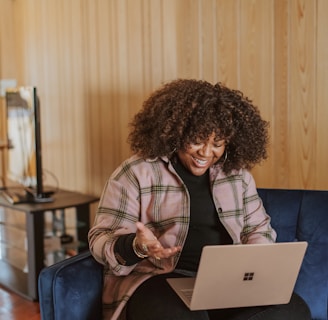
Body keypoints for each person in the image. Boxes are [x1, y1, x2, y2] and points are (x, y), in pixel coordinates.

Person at [88, 79, 311, 320]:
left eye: (217, 144)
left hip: (227, 282)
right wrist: (137, 246)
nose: (206, 153)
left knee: (294, 310)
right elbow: (100, 240)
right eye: (197, 140)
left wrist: (255, 263)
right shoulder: (136, 173)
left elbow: (257, 229)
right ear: (176, 132)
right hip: (159, 280)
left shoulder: (238, 176)